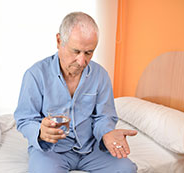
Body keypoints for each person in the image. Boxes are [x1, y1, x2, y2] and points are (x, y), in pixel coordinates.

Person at [14, 12, 138, 173]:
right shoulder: (35, 74)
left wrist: (106, 133)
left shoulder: (100, 75)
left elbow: (104, 116)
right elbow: (25, 118)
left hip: (91, 150)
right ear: (59, 41)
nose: (82, 61)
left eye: (88, 53)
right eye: (76, 51)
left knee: (127, 169)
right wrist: (40, 132)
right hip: (52, 150)